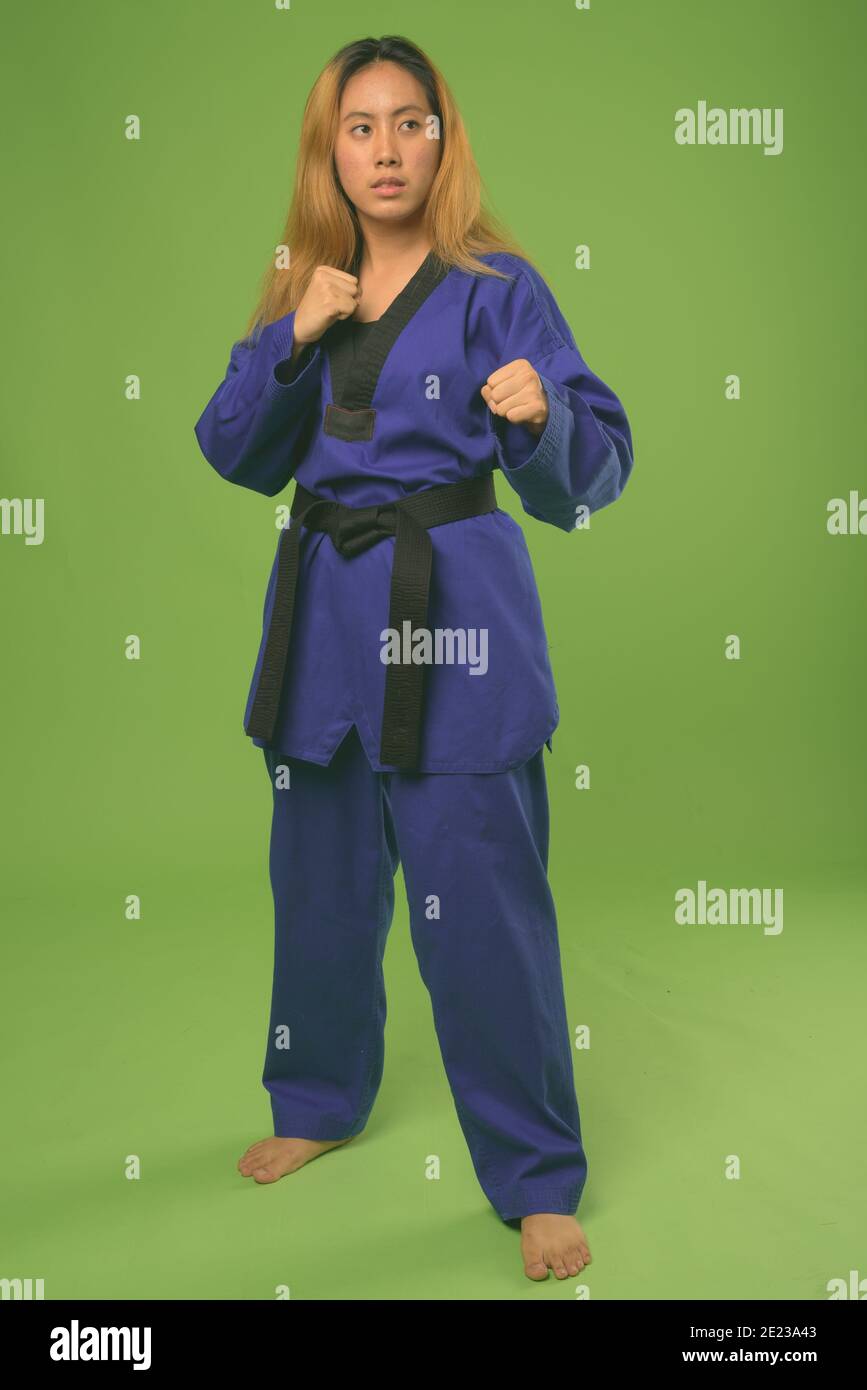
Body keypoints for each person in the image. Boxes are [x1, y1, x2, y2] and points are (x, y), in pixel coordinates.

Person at [193, 34, 634, 1282]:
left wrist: (541, 419)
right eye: (359, 126)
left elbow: (594, 467)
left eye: (410, 123)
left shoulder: (498, 286)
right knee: (321, 884)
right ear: (327, 150)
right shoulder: (306, 279)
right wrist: (292, 337)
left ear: (445, 140)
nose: (385, 150)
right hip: (325, 621)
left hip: (455, 624)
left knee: (482, 901)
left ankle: (536, 1177)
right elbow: (232, 448)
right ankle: (319, 1097)